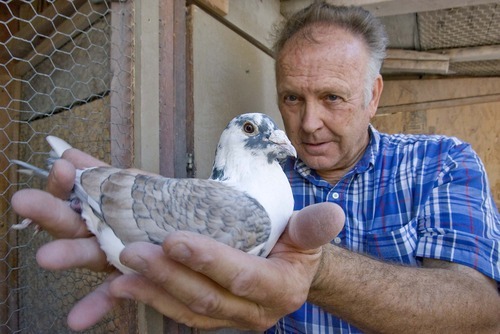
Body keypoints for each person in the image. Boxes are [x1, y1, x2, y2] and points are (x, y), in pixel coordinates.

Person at [11, 2, 500, 333]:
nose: (309, 124)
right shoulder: (261, 179)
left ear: (373, 95)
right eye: (292, 97)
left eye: (332, 97)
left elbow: (481, 311)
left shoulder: (442, 162)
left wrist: (314, 270)